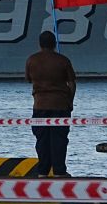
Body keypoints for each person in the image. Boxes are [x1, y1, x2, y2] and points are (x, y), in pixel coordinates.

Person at [26, 30, 76, 177]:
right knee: (59, 139)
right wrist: (70, 101)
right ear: (55, 44)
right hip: (60, 105)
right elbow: (72, 83)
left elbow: (29, 79)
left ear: (40, 44)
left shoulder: (31, 60)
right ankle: (59, 171)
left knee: (41, 139)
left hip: (40, 105)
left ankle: (43, 171)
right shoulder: (63, 60)